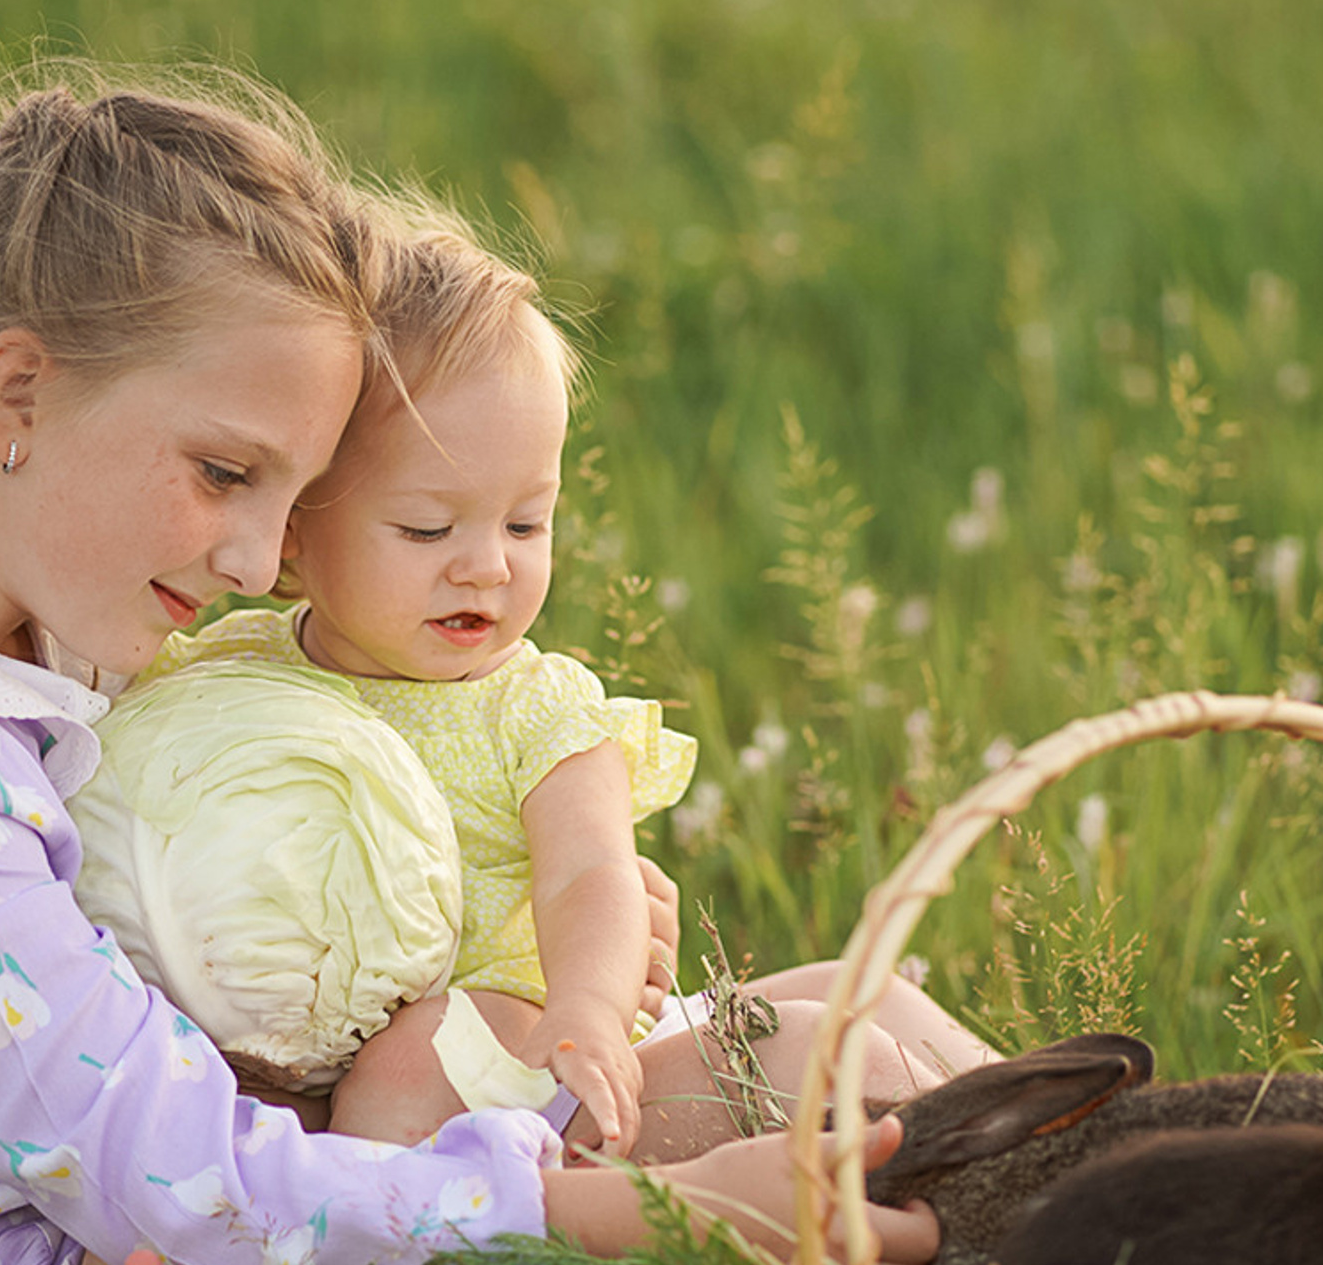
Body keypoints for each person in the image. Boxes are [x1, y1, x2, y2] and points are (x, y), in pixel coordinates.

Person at [0, 76, 944, 1265]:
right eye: (226, 474)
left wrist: (524, 917)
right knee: (820, 1088)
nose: (254, 560)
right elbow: (172, 1171)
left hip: (193, 1214)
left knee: (845, 1020)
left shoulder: (30, 609)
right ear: (19, 395)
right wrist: (666, 1218)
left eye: (291, 498)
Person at [137, 205, 994, 1163]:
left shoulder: (537, 708)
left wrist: (587, 1008)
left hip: (531, 1031)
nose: (487, 567)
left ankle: (1072, 1121)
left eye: (526, 524)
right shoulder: (232, 669)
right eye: (428, 529)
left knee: (860, 988)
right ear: (294, 529)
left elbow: (593, 875)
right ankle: (384, 1252)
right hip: (361, 1069)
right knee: (426, 1055)